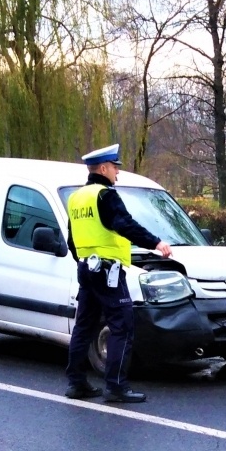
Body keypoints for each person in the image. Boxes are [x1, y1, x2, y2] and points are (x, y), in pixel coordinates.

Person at [64, 144, 173, 404]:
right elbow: (124, 224)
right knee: (122, 326)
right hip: (107, 270)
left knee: (84, 326)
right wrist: (155, 242)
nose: (117, 173)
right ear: (103, 168)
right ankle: (116, 387)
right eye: (115, 167)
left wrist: (84, 261)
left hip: (86, 269)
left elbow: (71, 240)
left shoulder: (77, 198)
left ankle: (76, 383)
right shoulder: (105, 195)